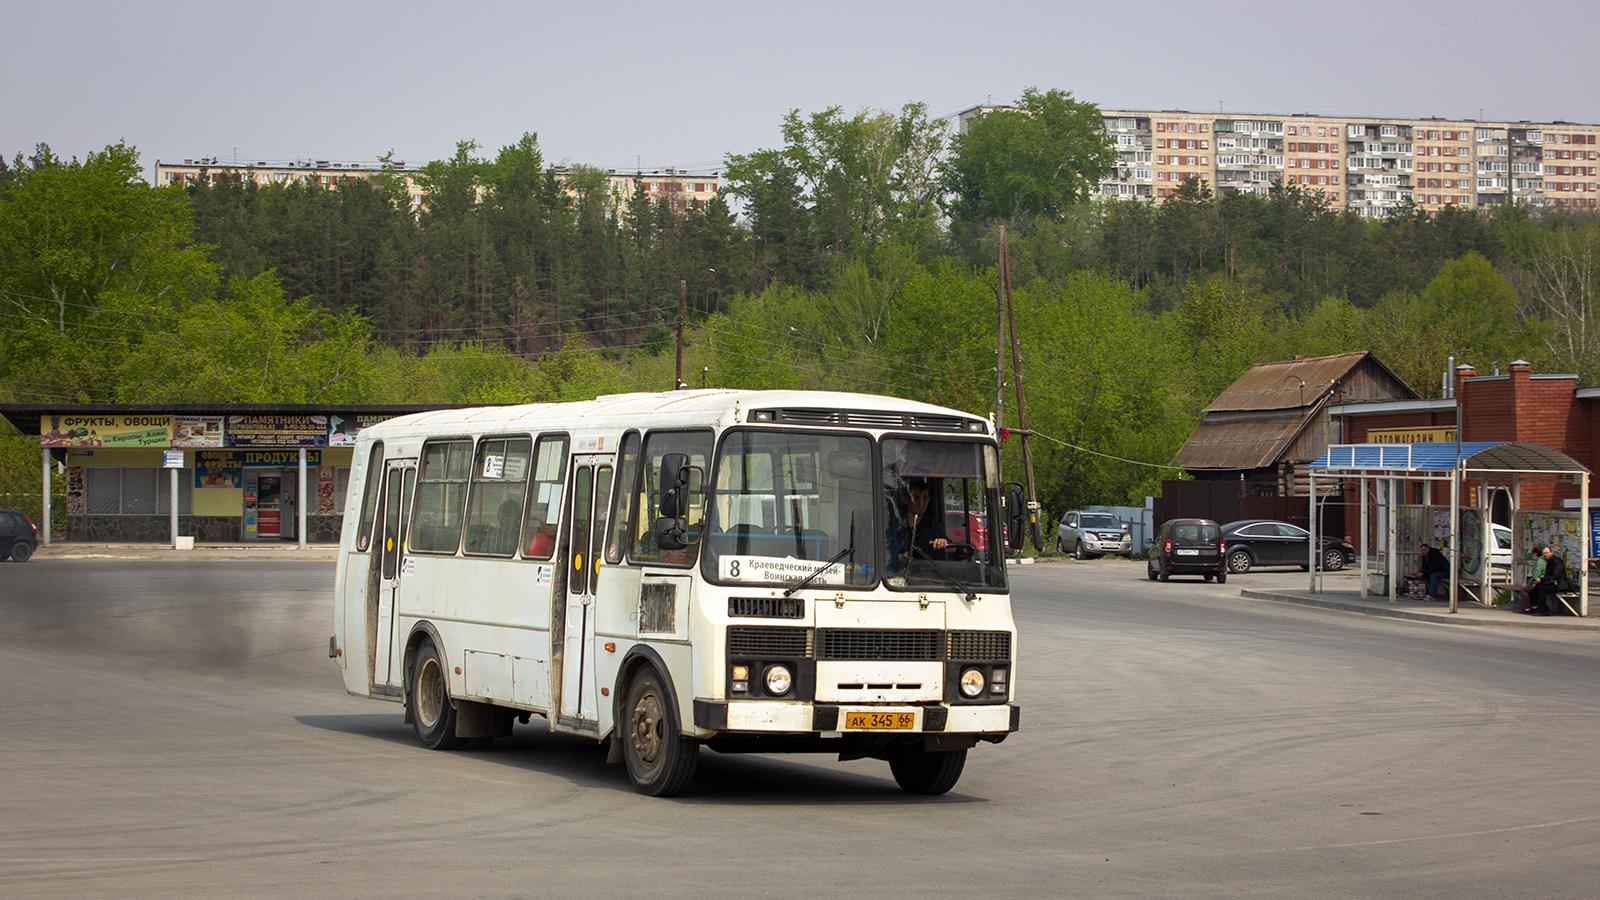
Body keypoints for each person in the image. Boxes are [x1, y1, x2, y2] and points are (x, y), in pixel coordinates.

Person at [886, 478, 948, 574]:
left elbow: (949, 546)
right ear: (906, 499)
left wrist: (943, 542)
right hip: (894, 578)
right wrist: (899, 558)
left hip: (924, 577)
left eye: (925, 498)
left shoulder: (933, 525)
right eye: (916, 498)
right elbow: (883, 555)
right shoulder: (892, 524)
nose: (921, 503)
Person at [1526, 545, 1568, 616]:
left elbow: (1555, 576)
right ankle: (1544, 609)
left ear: (1551, 553)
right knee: (1534, 590)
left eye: (1547, 553)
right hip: (1551, 582)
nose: (1545, 555)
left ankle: (1543, 611)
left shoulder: (1557, 562)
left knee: (1542, 589)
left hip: (1559, 584)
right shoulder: (1549, 562)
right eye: (1544, 553)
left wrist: (1541, 580)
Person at [1513, 543, 1546, 613]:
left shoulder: (1539, 562)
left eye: (1533, 553)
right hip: (1541, 582)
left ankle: (1527, 608)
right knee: (1530, 591)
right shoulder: (1543, 561)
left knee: (1523, 590)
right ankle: (1534, 606)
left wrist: (1530, 583)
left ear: (1535, 554)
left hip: (1537, 582)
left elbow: (1536, 574)